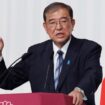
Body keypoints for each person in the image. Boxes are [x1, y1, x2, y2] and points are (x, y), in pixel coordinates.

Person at [0, 2, 102, 105]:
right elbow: (6, 81)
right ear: (45, 27)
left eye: (63, 21)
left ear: (72, 23)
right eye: (52, 22)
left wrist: (80, 90)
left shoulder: (88, 48)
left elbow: (94, 73)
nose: (58, 27)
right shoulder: (35, 53)